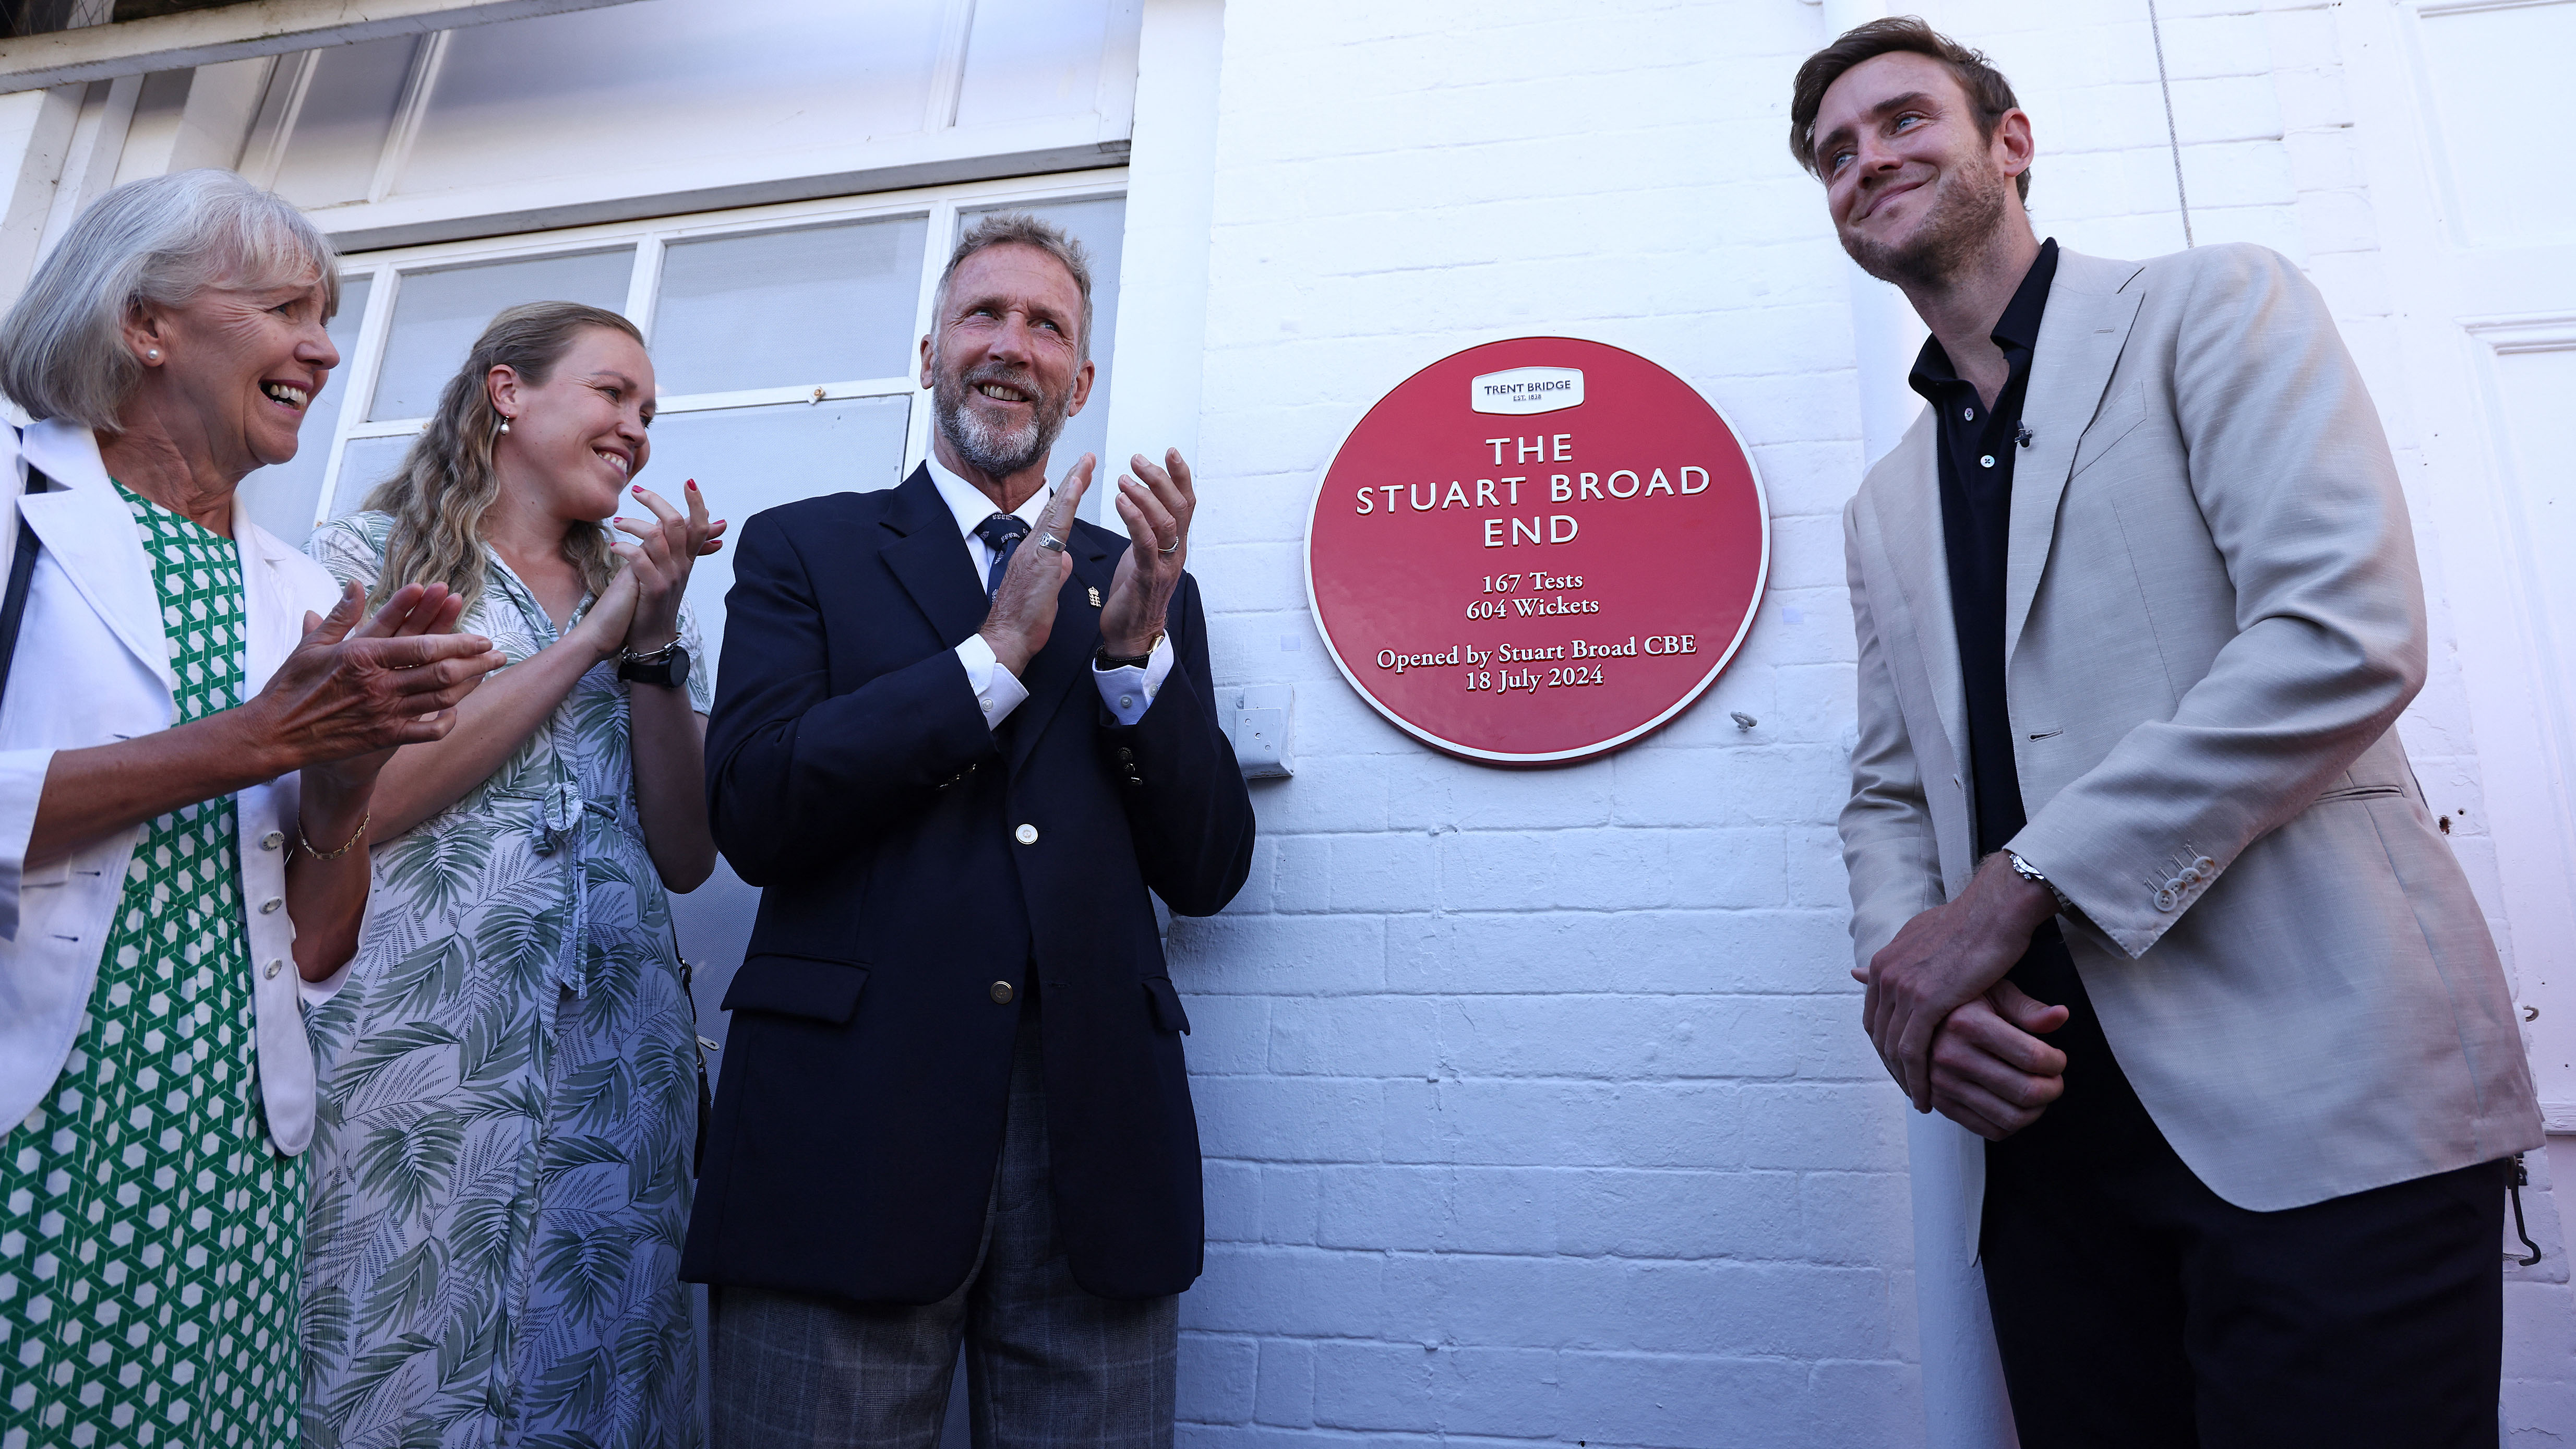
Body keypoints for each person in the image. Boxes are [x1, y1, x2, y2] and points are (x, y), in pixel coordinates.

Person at [1796, 18, 2543, 1445]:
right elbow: (1886, 791)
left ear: (2012, 143)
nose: (1866, 160)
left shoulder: (2216, 307)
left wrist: (2012, 888)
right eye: (1834, 154)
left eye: (1902, 120)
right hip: (2047, 1146)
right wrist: (1918, 987)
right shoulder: (1881, 504)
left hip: (2327, 1106)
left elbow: (2341, 633)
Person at [684, 211, 1256, 1445]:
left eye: (1046, 326)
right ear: (930, 351)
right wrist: (989, 659)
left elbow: (1210, 869)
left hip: (1093, 1133)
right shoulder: (805, 548)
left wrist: (1133, 662)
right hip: (844, 1125)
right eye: (983, 314)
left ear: (1079, 382)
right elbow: (755, 811)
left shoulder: (1145, 583)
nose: (1010, 344)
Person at [0, 169, 501, 1448]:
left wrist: (342, 773)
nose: (323, 349)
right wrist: (264, 738)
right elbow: (241, 746)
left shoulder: (299, 595)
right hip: (36, 1119)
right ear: (143, 324)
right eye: (285, 309)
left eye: (326, 317)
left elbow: (317, 944)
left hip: (224, 1144)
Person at [297, 302, 724, 1447]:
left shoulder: (643, 595)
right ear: (506, 392)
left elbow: (687, 855)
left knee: (594, 1379)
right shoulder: (367, 563)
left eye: (649, 411)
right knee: (390, 1363)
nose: (636, 428)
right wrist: (585, 643)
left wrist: (650, 644)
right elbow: (366, 806)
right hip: (420, 1047)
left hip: (618, 1071)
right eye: (612, 393)